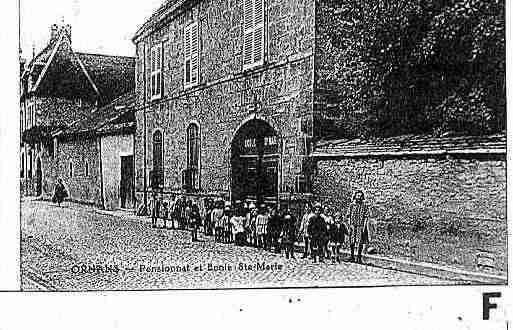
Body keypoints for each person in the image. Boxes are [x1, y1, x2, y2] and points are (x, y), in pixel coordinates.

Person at [346, 190, 373, 263]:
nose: (359, 197)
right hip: (353, 225)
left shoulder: (364, 206)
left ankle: (359, 257)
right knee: (352, 241)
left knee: (360, 241)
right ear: (355, 196)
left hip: (360, 226)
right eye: (358, 196)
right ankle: (352, 256)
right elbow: (348, 216)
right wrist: (350, 225)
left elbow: (366, 217)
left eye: (361, 196)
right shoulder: (352, 205)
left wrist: (364, 226)